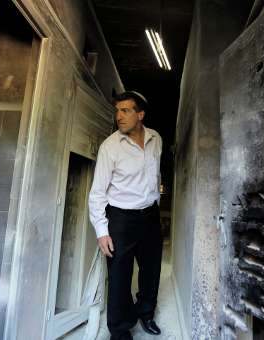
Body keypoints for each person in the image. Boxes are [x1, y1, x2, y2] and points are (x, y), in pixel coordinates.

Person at [88, 91, 163, 340]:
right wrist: (102, 232)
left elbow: (155, 177)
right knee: (120, 275)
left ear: (140, 115)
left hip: (150, 216)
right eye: (117, 110)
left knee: (151, 270)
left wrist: (155, 203)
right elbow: (97, 193)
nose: (119, 116)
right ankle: (120, 329)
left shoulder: (156, 139)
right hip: (121, 219)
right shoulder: (110, 147)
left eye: (125, 110)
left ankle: (146, 313)